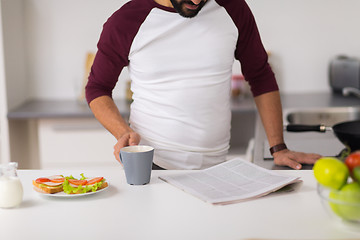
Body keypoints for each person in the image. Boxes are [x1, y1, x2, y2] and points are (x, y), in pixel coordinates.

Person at [85, 0, 321, 170]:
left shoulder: (233, 8)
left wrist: (278, 148)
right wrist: (122, 132)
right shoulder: (126, 21)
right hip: (151, 166)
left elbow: (260, 76)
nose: (197, 1)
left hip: (215, 168)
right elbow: (97, 88)